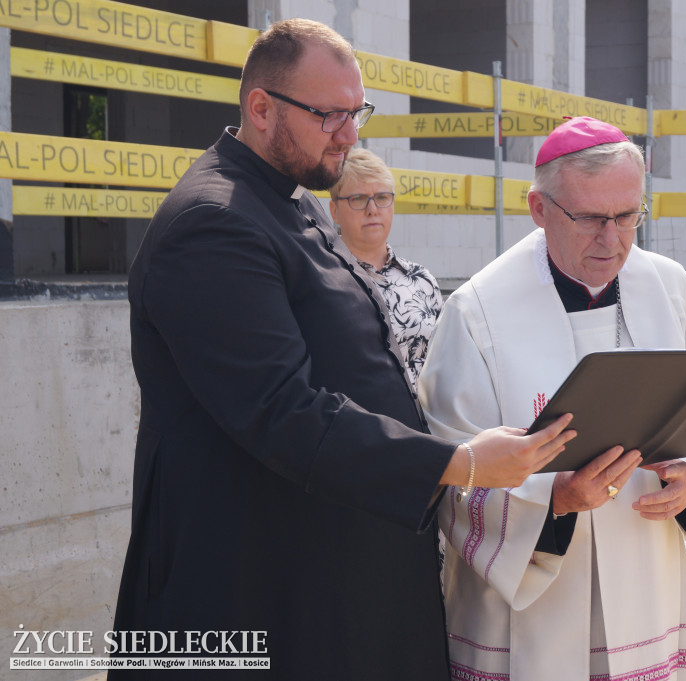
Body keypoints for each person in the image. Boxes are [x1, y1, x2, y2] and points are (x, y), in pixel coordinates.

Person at [110, 18, 575, 680]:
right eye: (330, 114)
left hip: (331, 571)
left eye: (358, 113)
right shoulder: (212, 223)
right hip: (259, 588)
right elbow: (283, 412)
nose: (349, 134)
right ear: (261, 107)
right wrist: (460, 461)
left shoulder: (286, 202)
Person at [417, 116, 686, 681]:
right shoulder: (479, 311)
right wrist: (553, 502)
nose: (613, 238)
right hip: (532, 616)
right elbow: (448, 468)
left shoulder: (668, 286)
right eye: (592, 218)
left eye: (628, 216)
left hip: (648, 582)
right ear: (539, 209)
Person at [328, 147, 442, 389]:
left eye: (381, 197)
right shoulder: (324, 280)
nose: (372, 210)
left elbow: (448, 362)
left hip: (428, 424)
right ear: (334, 211)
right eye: (358, 199)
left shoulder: (422, 280)